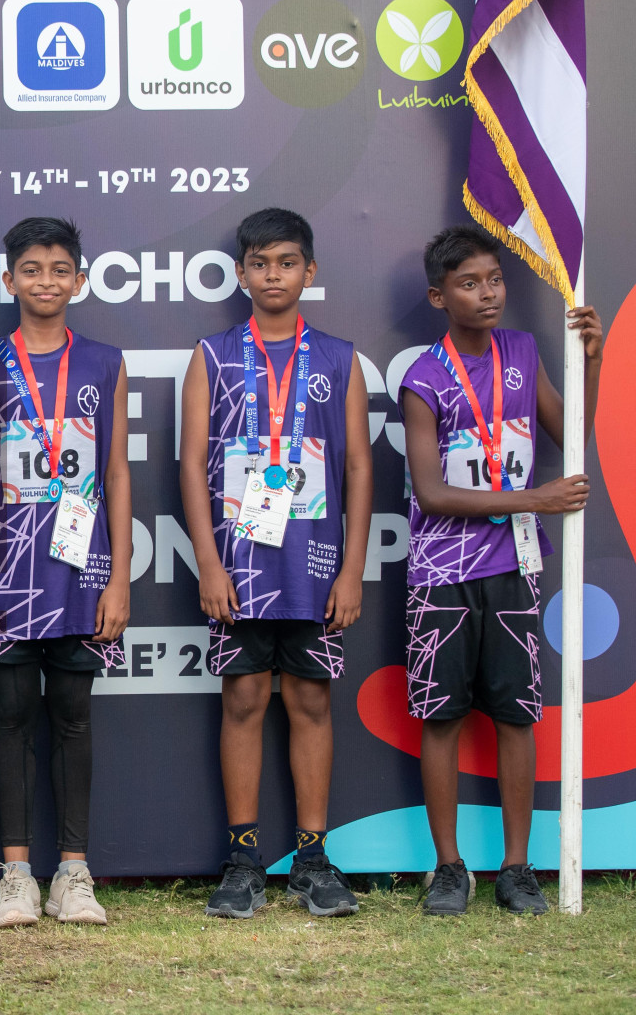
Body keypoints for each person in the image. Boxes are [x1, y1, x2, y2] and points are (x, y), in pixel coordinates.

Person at [400, 225, 602, 915]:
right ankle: (450, 868)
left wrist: (591, 362)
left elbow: (569, 434)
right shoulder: (423, 376)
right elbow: (431, 491)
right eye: (468, 283)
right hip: (440, 571)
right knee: (441, 715)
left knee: (517, 714)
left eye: (494, 279)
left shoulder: (521, 350)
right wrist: (535, 498)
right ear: (438, 295)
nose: (486, 293)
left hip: (514, 564)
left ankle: (519, 869)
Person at [181, 208, 372, 919]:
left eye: (286, 262)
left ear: (309, 272)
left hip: (315, 565)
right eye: (259, 263)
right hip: (237, 564)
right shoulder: (212, 355)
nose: (272, 275)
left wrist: (352, 569)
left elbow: (356, 466)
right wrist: (207, 559)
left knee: (311, 701)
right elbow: (192, 464)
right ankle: (242, 858)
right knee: (243, 700)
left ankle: (313, 858)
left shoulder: (340, 358)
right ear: (241, 273)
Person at [0, 217, 131, 928]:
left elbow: (116, 472)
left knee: (74, 717)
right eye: (32, 269)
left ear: (80, 279)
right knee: (12, 716)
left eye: (60, 269)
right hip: (5, 572)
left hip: (82, 571)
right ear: (10, 279)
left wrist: (120, 578)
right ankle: (18, 876)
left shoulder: (105, 361)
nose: (46, 281)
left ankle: (74, 873)